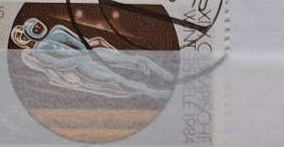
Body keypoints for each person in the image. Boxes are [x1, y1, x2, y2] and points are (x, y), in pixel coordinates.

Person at [10, 17, 175, 100]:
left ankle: (168, 75)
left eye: (38, 26)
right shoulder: (38, 51)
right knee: (116, 79)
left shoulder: (57, 29)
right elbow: (57, 64)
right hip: (83, 65)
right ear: (28, 35)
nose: (39, 29)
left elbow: (77, 39)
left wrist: (88, 51)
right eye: (34, 30)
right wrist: (79, 59)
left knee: (136, 60)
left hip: (91, 53)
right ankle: (153, 92)